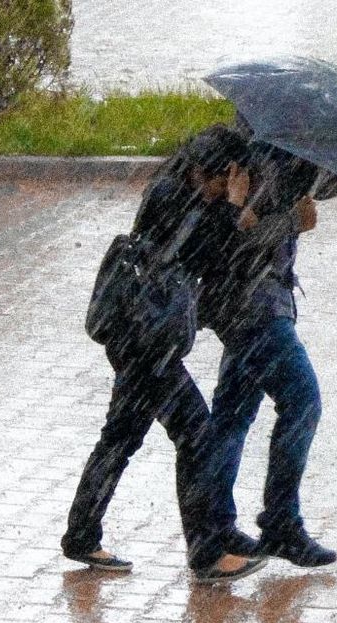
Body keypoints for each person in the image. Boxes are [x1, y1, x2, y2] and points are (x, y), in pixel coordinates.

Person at [62, 125, 266, 584]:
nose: (234, 186)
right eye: (232, 177)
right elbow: (212, 257)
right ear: (215, 172)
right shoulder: (179, 199)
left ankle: (81, 534)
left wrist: (231, 213)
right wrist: (234, 212)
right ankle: (207, 553)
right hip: (145, 343)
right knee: (196, 433)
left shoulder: (176, 190)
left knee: (120, 436)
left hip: (135, 336)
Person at [198, 138, 337, 568]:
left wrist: (328, 165)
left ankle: (214, 527)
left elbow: (327, 186)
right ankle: (279, 522)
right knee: (302, 401)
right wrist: (292, 221)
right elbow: (237, 244)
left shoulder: (286, 149)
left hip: (250, 304)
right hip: (254, 308)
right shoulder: (261, 157)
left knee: (233, 414)